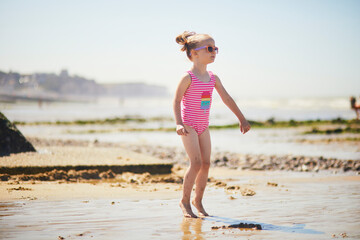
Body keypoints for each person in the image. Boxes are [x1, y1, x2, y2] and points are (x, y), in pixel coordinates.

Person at [173, 31, 251, 218]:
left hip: (203, 126)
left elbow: (226, 98)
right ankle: (184, 201)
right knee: (196, 162)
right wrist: (178, 124)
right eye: (209, 48)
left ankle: (197, 201)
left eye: (215, 48)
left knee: (206, 164)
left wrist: (242, 118)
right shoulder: (188, 77)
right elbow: (176, 101)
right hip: (189, 126)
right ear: (194, 53)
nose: (214, 51)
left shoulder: (213, 78)